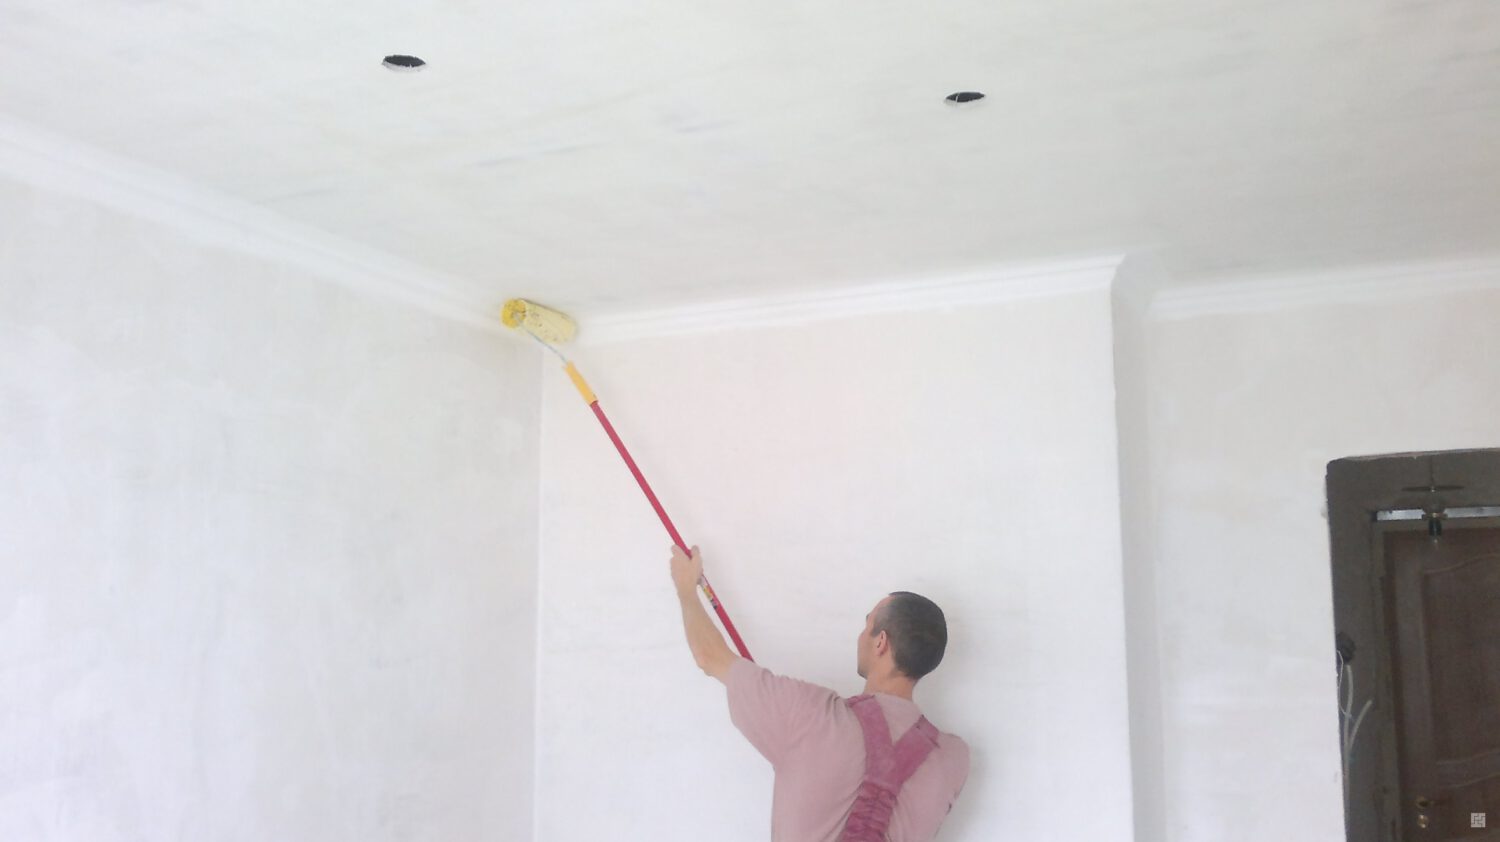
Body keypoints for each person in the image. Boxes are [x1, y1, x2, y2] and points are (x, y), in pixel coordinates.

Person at [670, 545, 970, 841]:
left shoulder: (808, 714)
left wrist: (686, 589)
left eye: (866, 624)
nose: (860, 636)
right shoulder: (952, 762)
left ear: (880, 642)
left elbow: (709, 656)